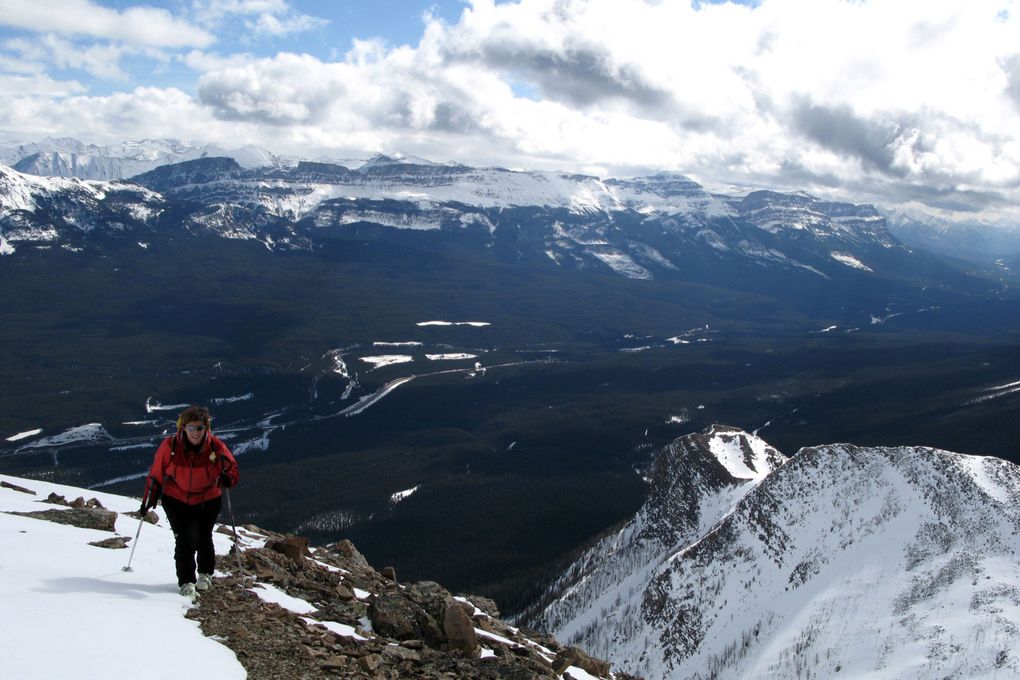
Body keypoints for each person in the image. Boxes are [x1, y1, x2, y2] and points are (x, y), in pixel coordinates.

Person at [140, 405, 239, 599]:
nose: (195, 432)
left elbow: (232, 470)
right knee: (184, 538)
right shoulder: (170, 447)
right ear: (183, 428)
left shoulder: (215, 448)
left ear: (206, 429)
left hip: (208, 498)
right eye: (191, 428)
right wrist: (149, 497)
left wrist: (228, 478)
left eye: (199, 428)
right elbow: (156, 474)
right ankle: (186, 581)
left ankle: (205, 573)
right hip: (176, 498)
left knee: (203, 536)